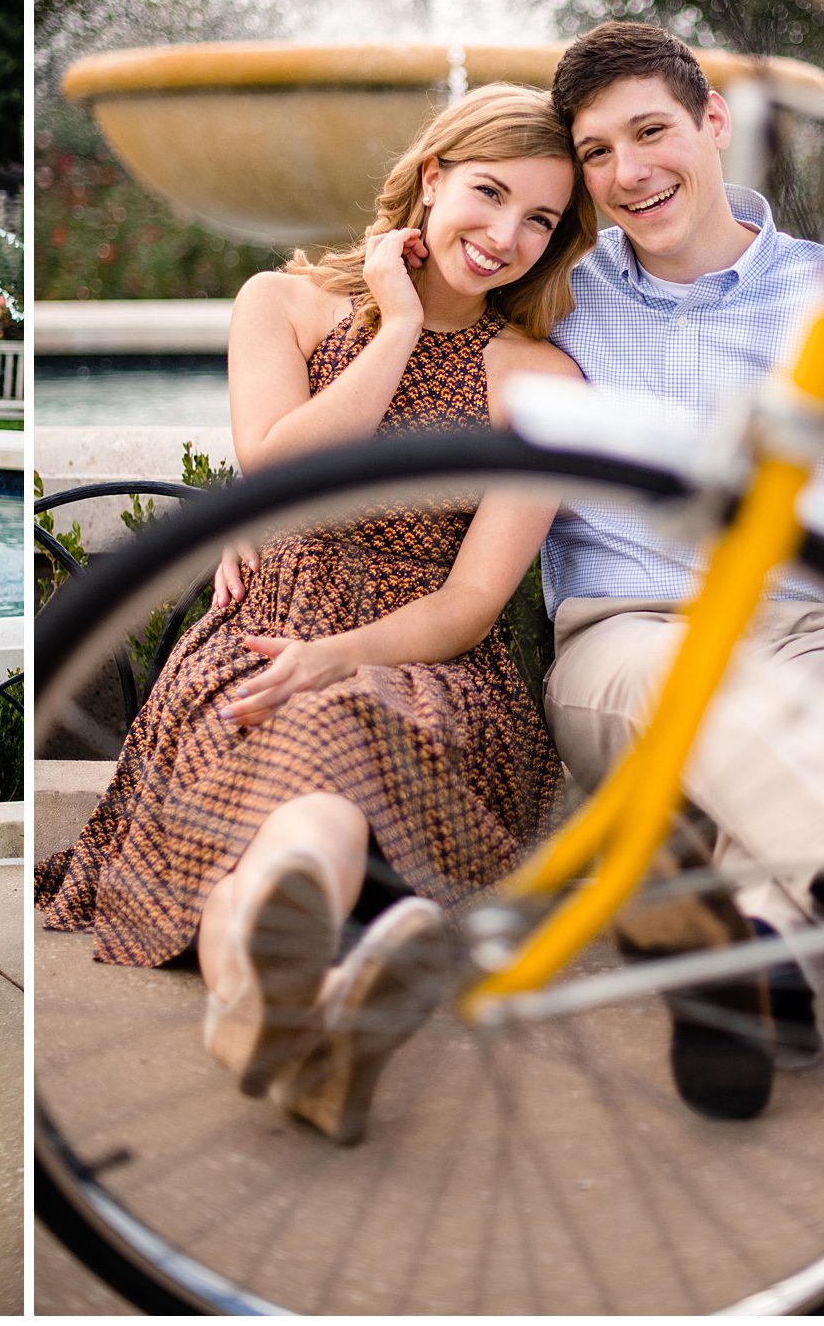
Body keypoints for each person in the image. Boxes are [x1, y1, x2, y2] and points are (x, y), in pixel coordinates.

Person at [37, 83, 597, 1145]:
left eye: (541, 221)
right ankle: (300, 985)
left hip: (422, 664)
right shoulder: (283, 304)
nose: (508, 236)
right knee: (287, 723)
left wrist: (332, 655)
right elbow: (276, 471)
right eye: (488, 194)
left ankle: (266, 985)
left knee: (330, 717)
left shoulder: (536, 375)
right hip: (255, 643)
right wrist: (391, 329)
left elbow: (473, 604)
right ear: (432, 177)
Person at [541, 20, 824, 1121]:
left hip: (809, 627)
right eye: (595, 152)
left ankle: (754, 976)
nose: (626, 173)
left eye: (650, 132)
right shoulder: (556, 299)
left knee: (806, 733)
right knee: (739, 704)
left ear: (714, 123)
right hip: (627, 637)